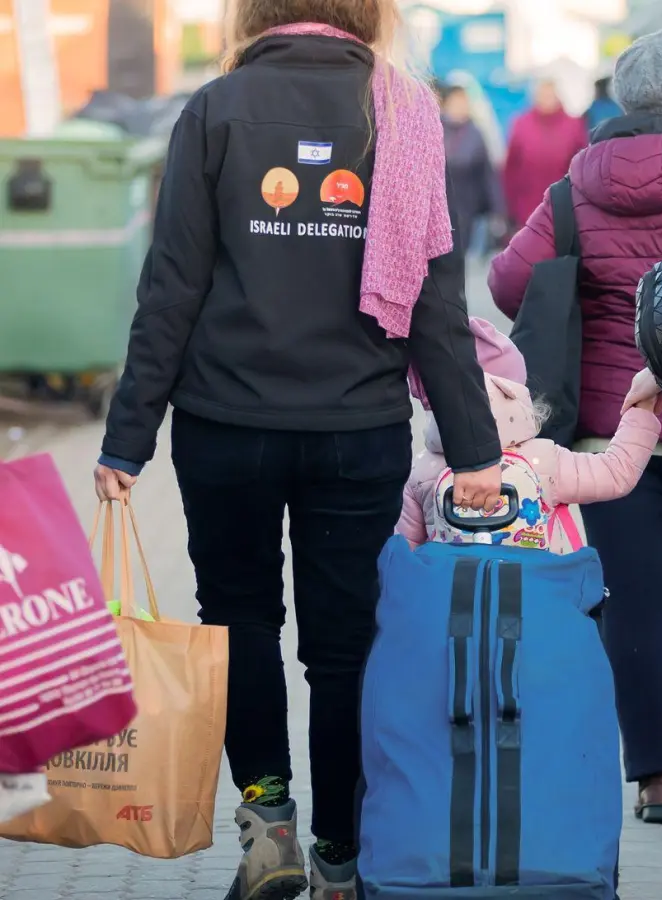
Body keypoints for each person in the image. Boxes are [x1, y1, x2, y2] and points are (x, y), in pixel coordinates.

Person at [92, 4, 504, 899]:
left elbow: (171, 286)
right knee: (346, 646)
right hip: (356, 433)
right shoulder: (399, 112)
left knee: (239, 623)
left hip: (224, 425)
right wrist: (476, 451)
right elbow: (436, 299)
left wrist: (128, 440)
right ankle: (342, 858)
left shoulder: (216, 108)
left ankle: (268, 824)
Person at [488, 28, 662, 828]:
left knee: (632, 602)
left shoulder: (574, 190)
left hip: (611, 439)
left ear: (620, 98)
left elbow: (509, 282)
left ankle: (657, 777)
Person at [397, 319, 662, 548]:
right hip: (542, 602)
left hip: (454, 604)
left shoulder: (423, 470)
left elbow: (404, 553)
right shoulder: (546, 461)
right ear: (518, 395)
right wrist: (642, 409)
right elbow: (616, 472)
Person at [502, 78, 588, 233]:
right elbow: (510, 170)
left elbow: (584, 168)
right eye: (542, 94)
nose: (546, 99)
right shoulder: (521, 124)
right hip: (527, 211)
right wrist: (509, 208)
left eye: (550, 94)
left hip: (564, 209)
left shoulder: (574, 125)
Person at [439, 83, 503, 259]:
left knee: (459, 256)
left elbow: (487, 174)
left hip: (466, 208)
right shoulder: (435, 128)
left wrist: (497, 209)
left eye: (464, 102)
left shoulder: (475, 134)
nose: (461, 107)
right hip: (437, 207)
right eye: (456, 102)